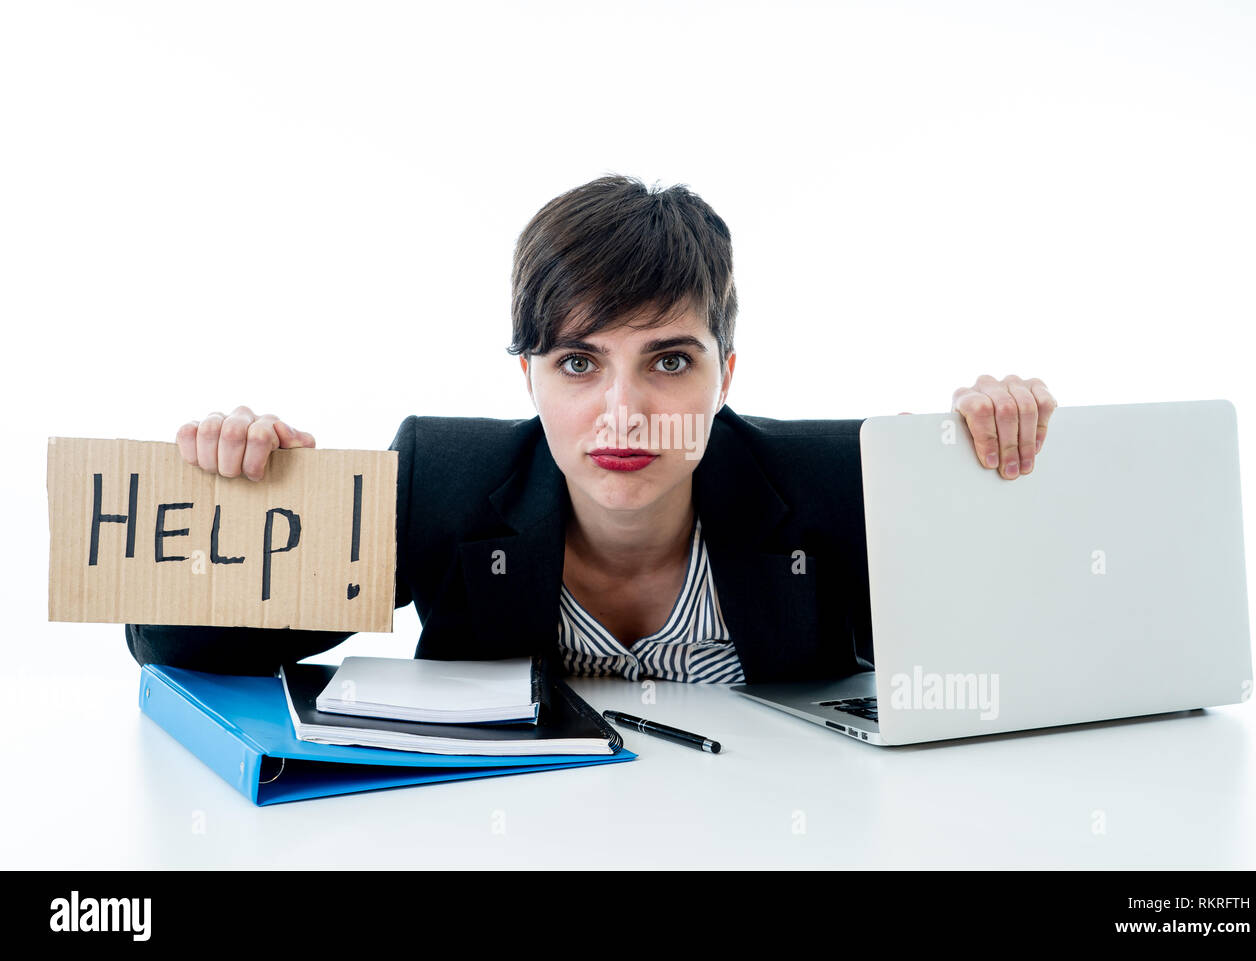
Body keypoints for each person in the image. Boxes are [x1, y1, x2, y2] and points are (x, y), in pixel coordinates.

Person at [125, 174, 1057, 683]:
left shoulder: (834, 481)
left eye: (670, 360)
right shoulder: (442, 478)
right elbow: (172, 643)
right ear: (526, 375)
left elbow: (1037, 649)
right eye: (578, 362)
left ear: (725, 374)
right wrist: (228, 494)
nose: (624, 412)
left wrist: (983, 476)